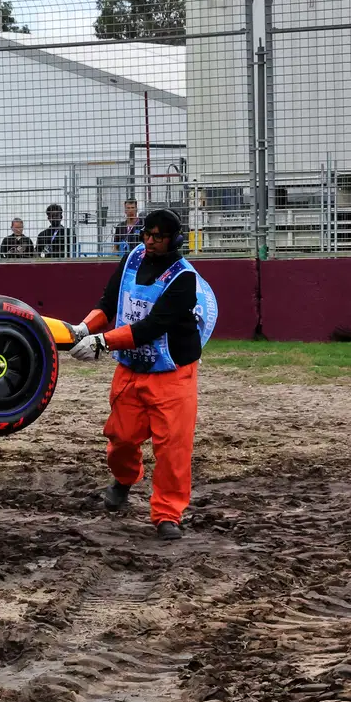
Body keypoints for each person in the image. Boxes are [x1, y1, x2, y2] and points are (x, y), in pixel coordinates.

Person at [67, 209, 218, 541]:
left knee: (172, 450)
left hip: (173, 374)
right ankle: (124, 481)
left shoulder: (183, 279)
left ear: (174, 240)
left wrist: (103, 341)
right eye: (146, 234)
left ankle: (167, 515)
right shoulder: (133, 258)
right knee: (120, 438)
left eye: (158, 237)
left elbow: (152, 327)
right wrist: (83, 329)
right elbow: (109, 304)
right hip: (132, 370)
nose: (150, 241)